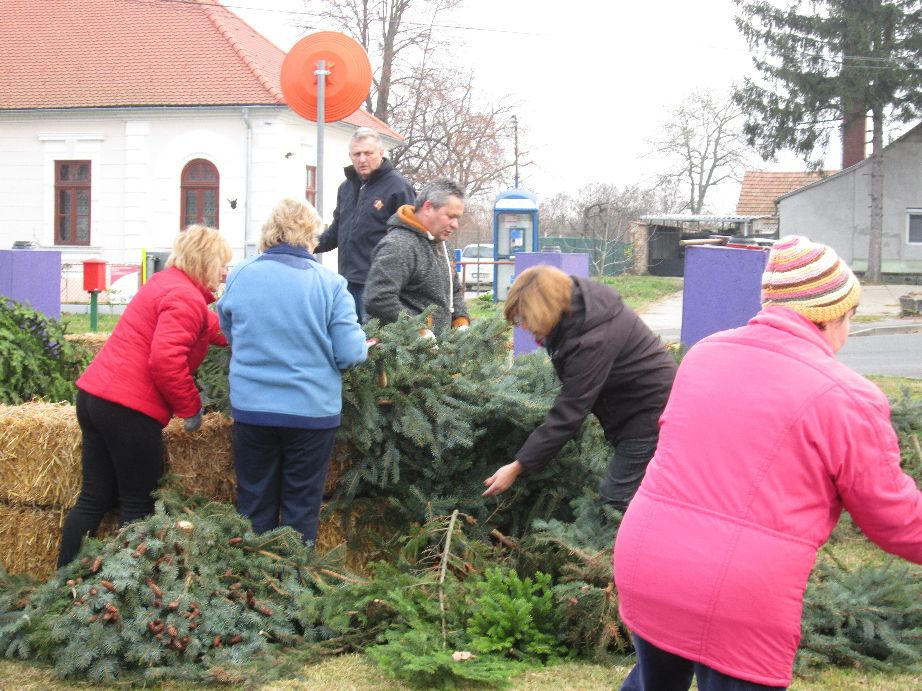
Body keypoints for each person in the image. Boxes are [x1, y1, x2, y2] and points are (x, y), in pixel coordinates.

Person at [613, 235, 922, 690]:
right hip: (738, 595)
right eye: (850, 317)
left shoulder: (705, 354)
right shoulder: (847, 396)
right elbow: (894, 519)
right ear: (829, 315)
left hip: (649, 562)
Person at [58, 224, 232, 567]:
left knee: (93, 499)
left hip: (95, 398)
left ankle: (60, 585)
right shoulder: (185, 297)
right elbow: (165, 361)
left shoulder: (167, 284)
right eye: (223, 264)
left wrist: (249, 334)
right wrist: (190, 407)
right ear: (206, 262)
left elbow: (208, 327)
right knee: (138, 505)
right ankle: (126, 592)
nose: (226, 272)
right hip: (129, 410)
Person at [217, 198, 368, 544]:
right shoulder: (330, 284)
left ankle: (252, 584)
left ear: (269, 232)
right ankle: (297, 586)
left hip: (253, 410)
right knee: (301, 507)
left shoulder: (240, 274)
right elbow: (349, 353)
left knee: (253, 504)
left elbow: (229, 331)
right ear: (310, 236)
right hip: (311, 412)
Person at [481, 265, 676, 509]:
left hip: (651, 414)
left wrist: (518, 465)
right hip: (646, 406)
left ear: (545, 309)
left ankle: (627, 545)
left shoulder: (591, 339)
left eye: (526, 317)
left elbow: (570, 411)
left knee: (616, 497)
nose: (524, 326)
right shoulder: (577, 306)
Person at [314, 127, 415, 321]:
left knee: (375, 345)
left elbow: (409, 238)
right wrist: (305, 244)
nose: (362, 159)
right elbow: (337, 231)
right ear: (350, 156)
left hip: (379, 285)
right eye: (357, 154)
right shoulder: (346, 188)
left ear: (381, 153)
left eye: (368, 153)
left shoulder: (399, 187)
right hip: (347, 281)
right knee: (349, 341)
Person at [364, 177, 471, 335]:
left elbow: (453, 291)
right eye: (450, 216)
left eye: (457, 218)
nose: (455, 224)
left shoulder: (443, 245)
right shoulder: (398, 245)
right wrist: (418, 330)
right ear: (428, 207)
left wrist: (460, 321)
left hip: (436, 353)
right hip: (399, 353)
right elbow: (378, 298)